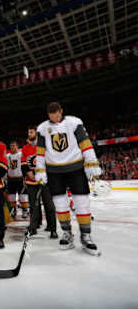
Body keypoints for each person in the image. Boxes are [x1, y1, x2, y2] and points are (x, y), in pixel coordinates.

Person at [35, 102, 101, 255]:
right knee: (60, 205)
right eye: (52, 115)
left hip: (75, 168)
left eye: (57, 114)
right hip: (54, 171)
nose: (55, 117)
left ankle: (86, 235)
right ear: (48, 115)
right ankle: (67, 233)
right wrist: (40, 171)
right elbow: (40, 152)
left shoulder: (74, 122)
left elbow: (85, 143)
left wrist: (91, 162)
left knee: (82, 202)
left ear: (61, 111)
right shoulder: (43, 128)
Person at [21, 125, 57, 239]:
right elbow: (23, 163)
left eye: (31, 132)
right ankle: (33, 227)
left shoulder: (44, 145)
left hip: (44, 180)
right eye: (28, 132)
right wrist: (28, 173)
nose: (29, 134)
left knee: (49, 205)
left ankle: (53, 229)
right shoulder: (25, 148)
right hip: (31, 182)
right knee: (33, 206)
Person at [6, 141, 29, 218]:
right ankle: (13, 210)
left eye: (14, 145)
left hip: (20, 178)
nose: (12, 147)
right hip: (10, 179)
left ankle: (25, 210)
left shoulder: (20, 154)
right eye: (11, 145)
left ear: (17, 146)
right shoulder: (7, 156)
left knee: (23, 196)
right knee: (11, 196)